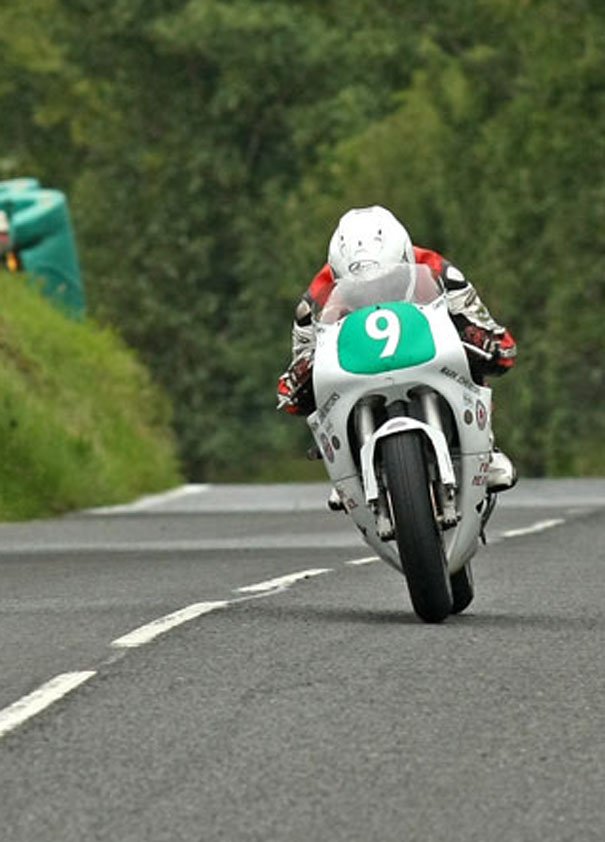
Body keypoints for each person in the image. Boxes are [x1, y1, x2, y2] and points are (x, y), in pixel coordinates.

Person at [276, 205, 517, 503]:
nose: (372, 291)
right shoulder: (317, 294)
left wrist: (484, 339)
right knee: (322, 389)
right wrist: (299, 375)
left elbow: (485, 326)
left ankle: (486, 448)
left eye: (385, 281)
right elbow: (302, 356)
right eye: (358, 287)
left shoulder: (439, 269)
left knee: (471, 353)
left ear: (404, 257)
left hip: (428, 355)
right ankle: (348, 470)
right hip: (358, 371)